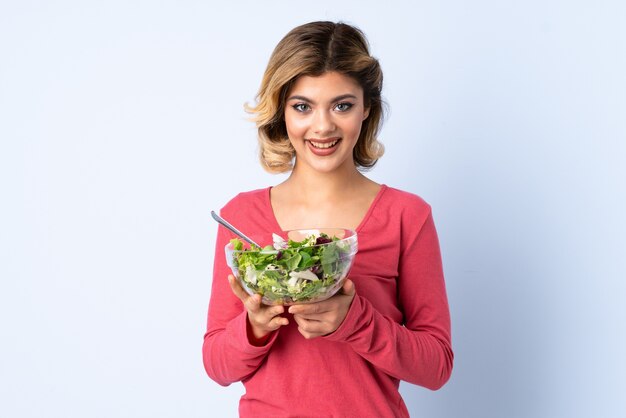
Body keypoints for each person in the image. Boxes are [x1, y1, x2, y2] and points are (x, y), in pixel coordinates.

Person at [202, 21, 453, 417]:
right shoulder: (240, 218)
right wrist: (253, 328)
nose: (323, 126)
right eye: (303, 106)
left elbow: (437, 366)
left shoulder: (407, 216)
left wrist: (355, 321)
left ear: (366, 108)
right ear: (281, 112)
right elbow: (217, 365)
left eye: (342, 105)